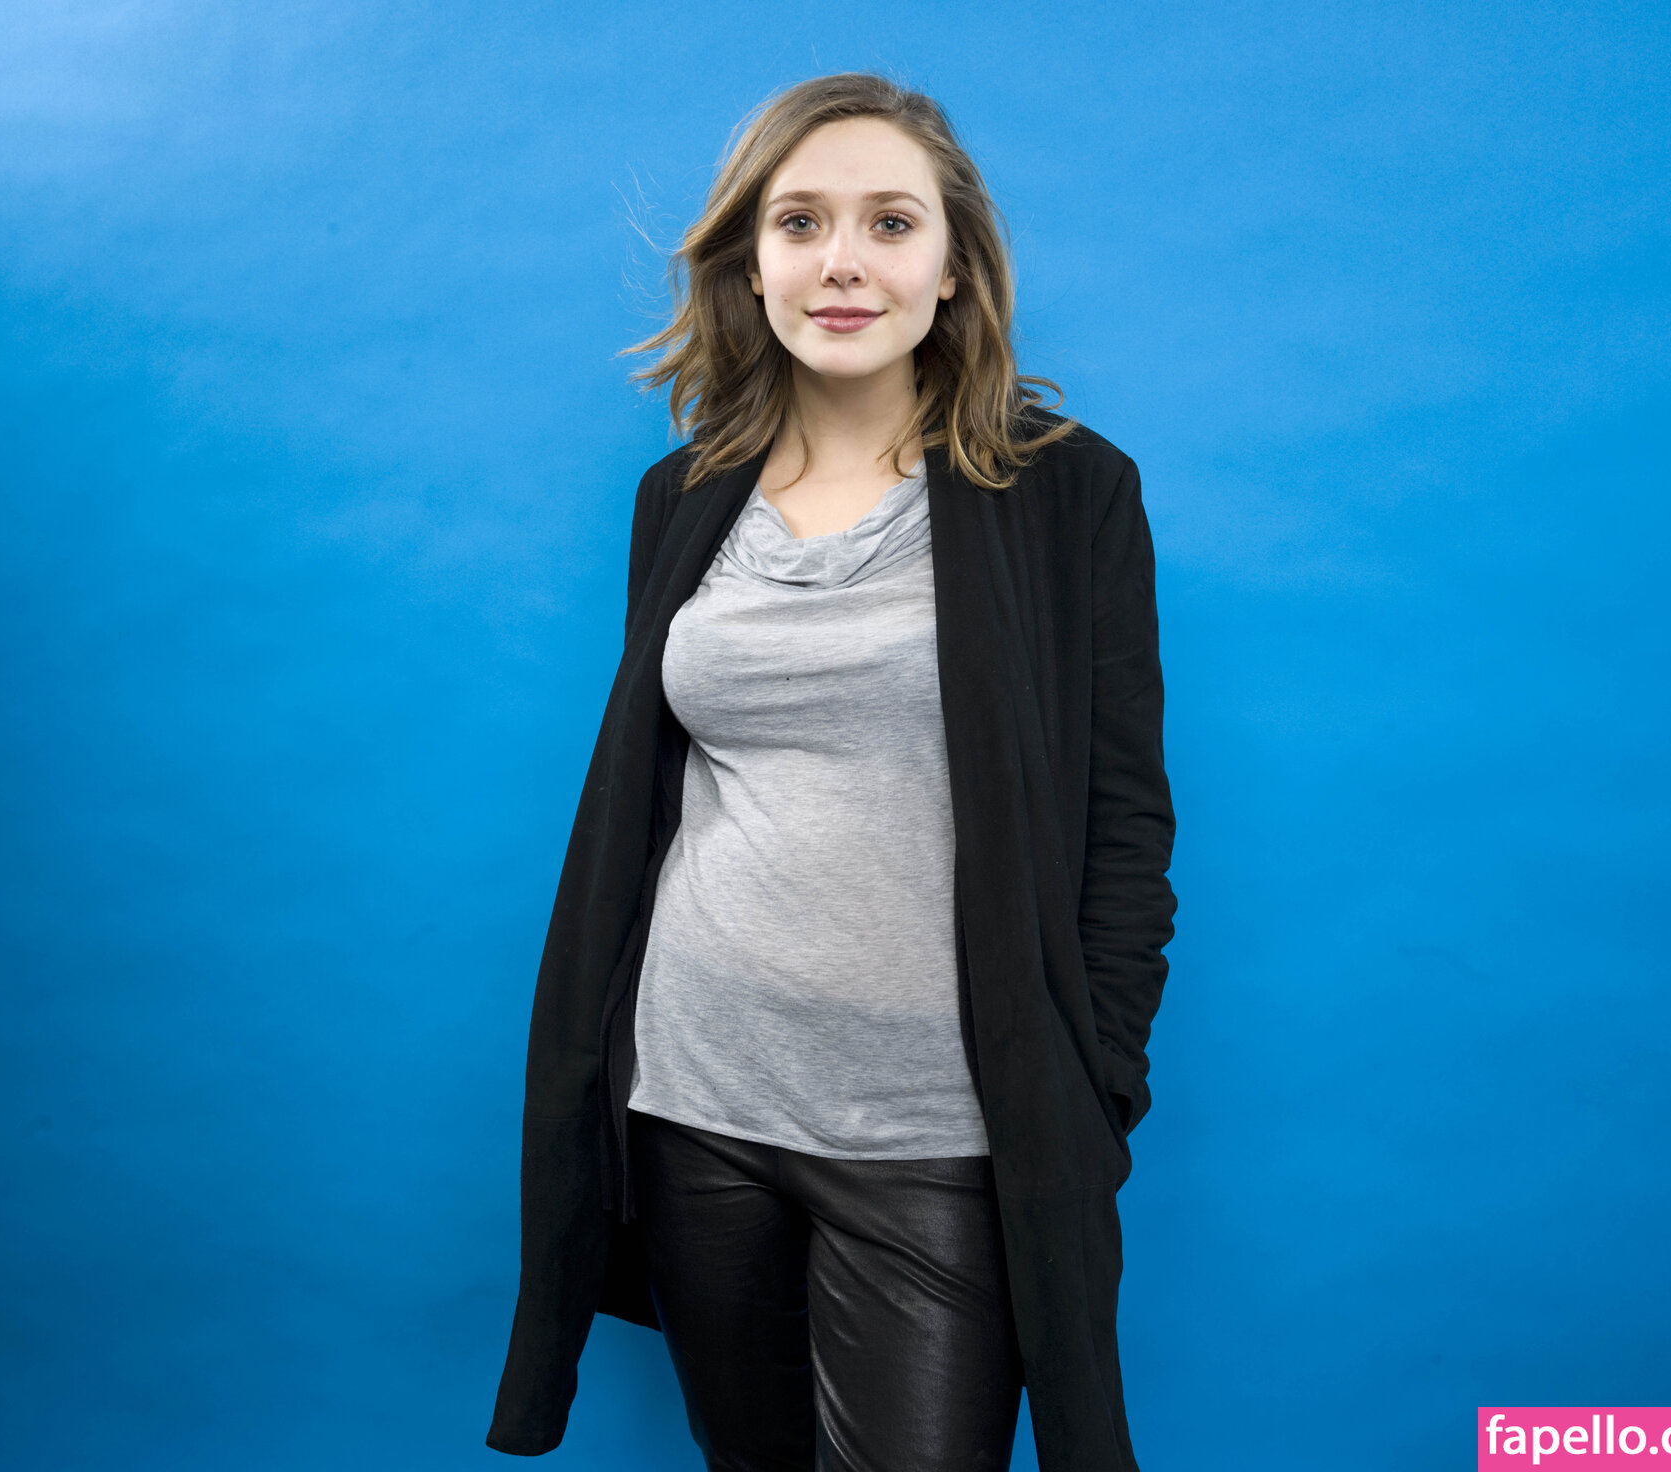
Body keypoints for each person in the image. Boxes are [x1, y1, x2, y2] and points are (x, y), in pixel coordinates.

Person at [486, 72, 1177, 1472]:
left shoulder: (1066, 493)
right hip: (697, 1105)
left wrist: (1091, 1082)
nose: (843, 261)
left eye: (890, 223)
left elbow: (1124, 828)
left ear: (954, 267)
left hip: (938, 1131)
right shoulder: (684, 498)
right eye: (800, 221)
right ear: (752, 262)